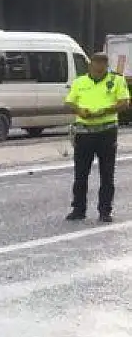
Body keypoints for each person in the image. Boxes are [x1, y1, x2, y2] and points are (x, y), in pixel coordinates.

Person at [65, 52, 130, 222]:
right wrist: (80, 111)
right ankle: (78, 209)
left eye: (103, 62)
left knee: (106, 173)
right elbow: (70, 102)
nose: (100, 66)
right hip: (84, 133)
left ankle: (105, 211)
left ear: (107, 64)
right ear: (91, 64)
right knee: (81, 173)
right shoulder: (80, 81)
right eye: (97, 62)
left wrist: (105, 110)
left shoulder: (116, 80)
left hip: (106, 132)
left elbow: (124, 102)